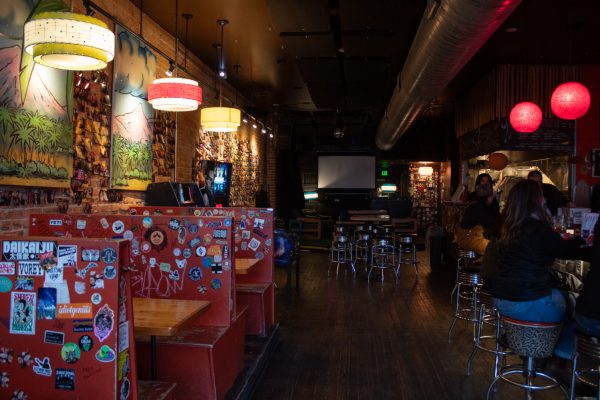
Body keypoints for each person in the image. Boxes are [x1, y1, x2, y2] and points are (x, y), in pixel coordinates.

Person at [482, 179, 583, 332]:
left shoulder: (509, 226)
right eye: (541, 195)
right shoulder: (537, 228)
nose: (545, 199)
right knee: (575, 308)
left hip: (501, 298)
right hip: (526, 300)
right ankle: (553, 350)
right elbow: (566, 251)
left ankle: (532, 348)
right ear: (535, 200)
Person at [455, 182, 500, 256]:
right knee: (493, 248)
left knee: (495, 245)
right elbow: (491, 223)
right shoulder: (477, 208)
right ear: (488, 197)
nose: (493, 198)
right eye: (492, 196)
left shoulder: (477, 205)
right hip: (467, 238)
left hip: (472, 236)